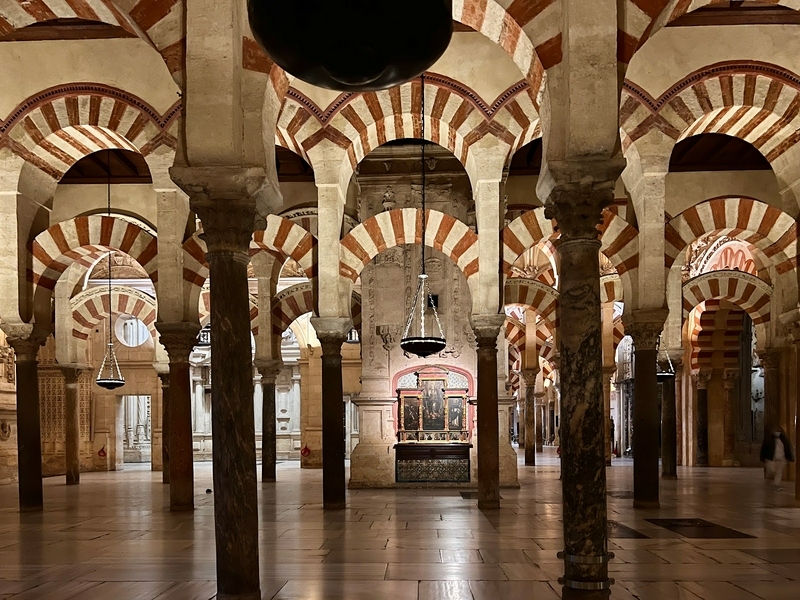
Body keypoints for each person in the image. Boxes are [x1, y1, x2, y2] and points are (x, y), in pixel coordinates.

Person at [760, 427, 795, 491]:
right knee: (772, 470)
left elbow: (788, 449)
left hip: (781, 459)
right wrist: (763, 457)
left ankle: (777, 484)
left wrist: (790, 458)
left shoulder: (784, 440)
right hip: (771, 459)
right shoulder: (769, 440)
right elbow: (764, 449)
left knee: (779, 472)